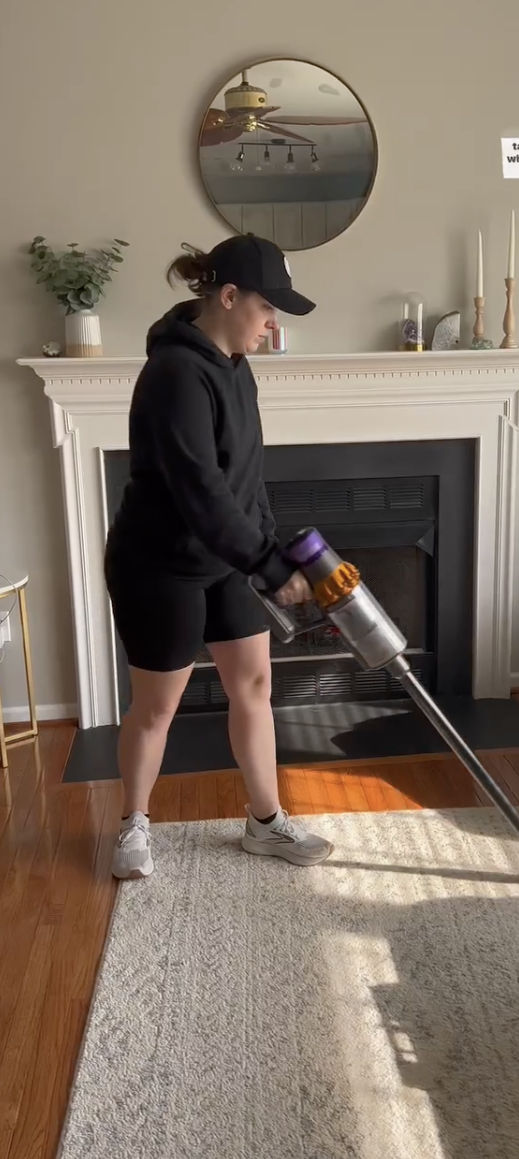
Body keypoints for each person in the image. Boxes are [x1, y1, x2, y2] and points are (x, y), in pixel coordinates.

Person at [104, 233, 334, 879]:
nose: (272, 323)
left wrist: (272, 545)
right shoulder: (174, 373)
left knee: (254, 686)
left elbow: (245, 476)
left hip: (224, 557)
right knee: (157, 708)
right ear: (229, 297)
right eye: (267, 308)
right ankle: (133, 824)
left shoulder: (236, 366)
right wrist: (265, 563)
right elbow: (199, 488)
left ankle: (265, 822)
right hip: (162, 563)